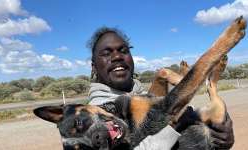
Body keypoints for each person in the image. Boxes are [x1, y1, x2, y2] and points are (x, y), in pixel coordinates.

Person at [87, 27, 234, 149]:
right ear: (94, 67)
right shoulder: (92, 116)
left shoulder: (141, 94)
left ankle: (211, 86)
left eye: (123, 50)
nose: (117, 56)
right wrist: (174, 123)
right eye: (106, 53)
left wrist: (221, 136)